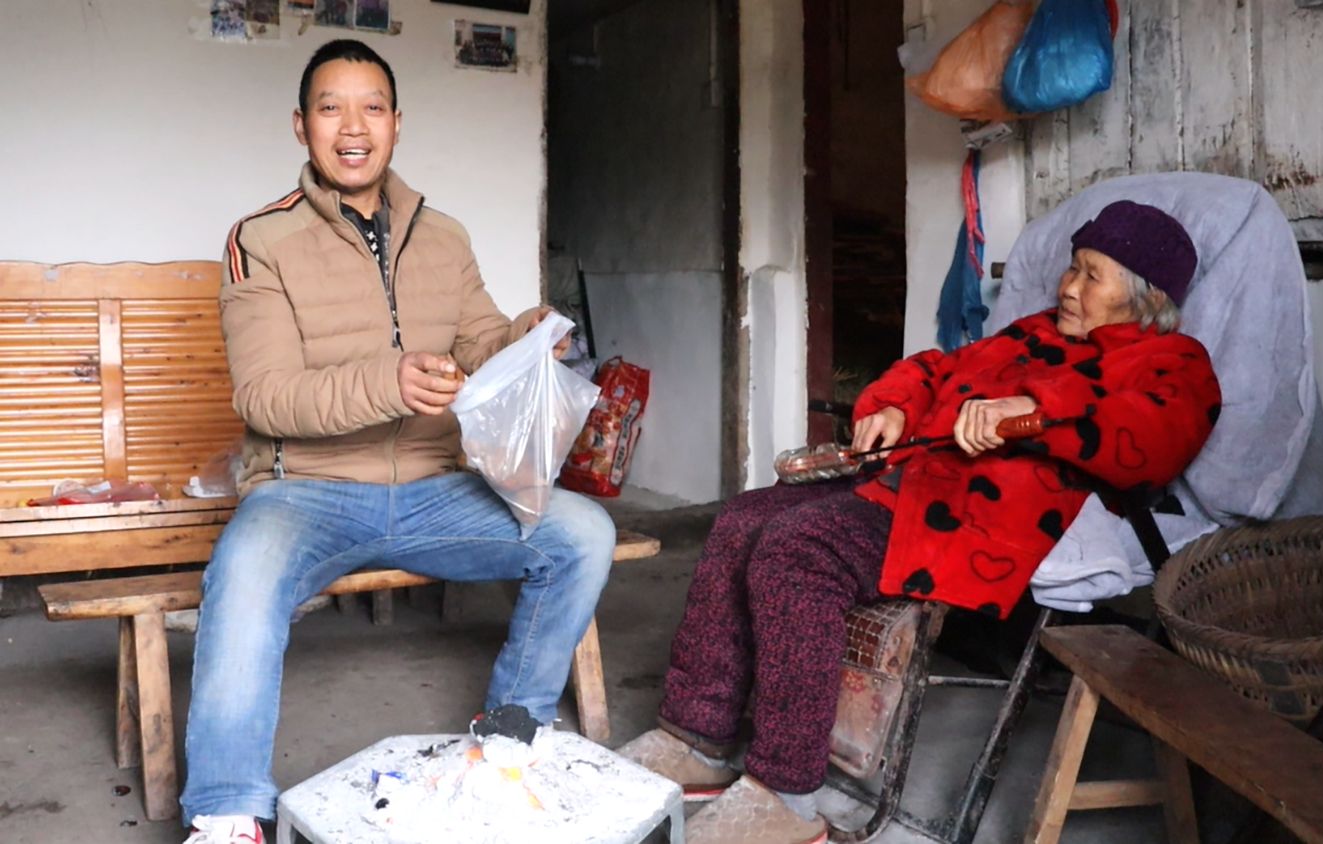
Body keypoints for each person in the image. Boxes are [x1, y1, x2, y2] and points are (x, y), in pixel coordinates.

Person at [620, 200, 1222, 844]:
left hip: (979, 518)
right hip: (908, 481)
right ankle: (698, 737)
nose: (1068, 288)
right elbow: (936, 371)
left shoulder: (1172, 362)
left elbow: (1154, 440)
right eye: (1072, 269)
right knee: (742, 519)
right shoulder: (1035, 333)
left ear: (1145, 296)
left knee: (800, 549)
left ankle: (785, 793)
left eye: (1091, 275)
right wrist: (895, 409)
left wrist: (1034, 408)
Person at [179, 40, 616, 844]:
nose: (354, 127)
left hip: (433, 487)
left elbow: (481, 337)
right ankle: (229, 811)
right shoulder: (260, 241)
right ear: (301, 126)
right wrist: (390, 381)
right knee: (240, 575)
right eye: (331, 107)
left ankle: (507, 741)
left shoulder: (442, 234)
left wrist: (524, 335)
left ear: (397, 123)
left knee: (583, 532)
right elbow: (265, 395)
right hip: (304, 492)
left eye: (372, 107)